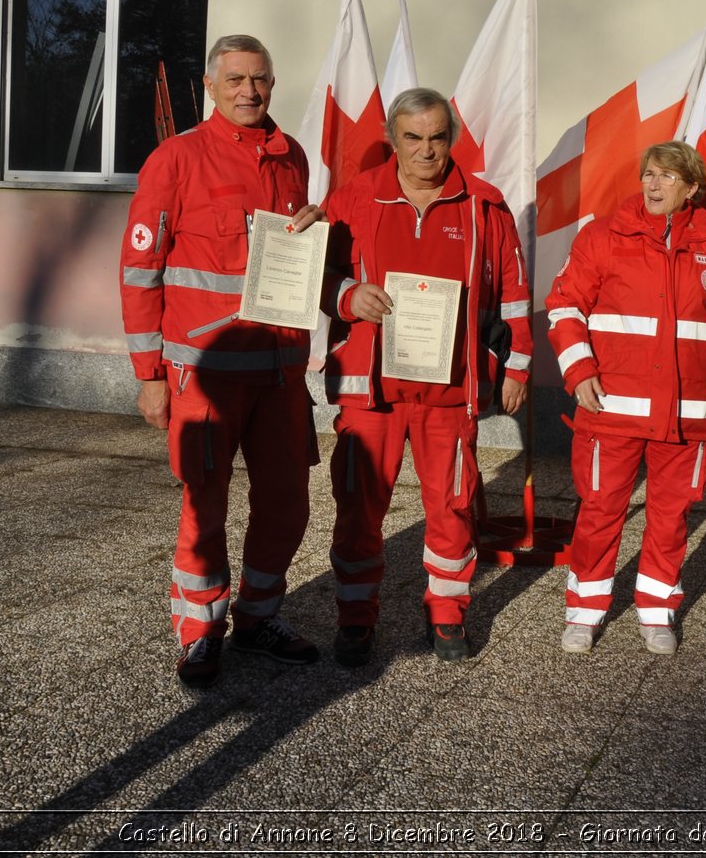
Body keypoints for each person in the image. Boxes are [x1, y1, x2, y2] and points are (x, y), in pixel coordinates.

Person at [120, 34, 324, 688]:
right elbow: (138, 271)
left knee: (288, 503)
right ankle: (200, 630)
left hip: (279, 371)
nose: (249, 91)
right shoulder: (175, 160)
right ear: (209, 85)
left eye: (260, 79)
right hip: (202, 375)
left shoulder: (292, 158)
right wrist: (148, 376)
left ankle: (258, 618)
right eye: (234, 79)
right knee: (204, 507)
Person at [321, 88, 532, 666]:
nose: (426, 150)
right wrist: (345, 295)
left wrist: (517, 365)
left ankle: (446, 616)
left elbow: (514, 292)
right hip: (371, 392)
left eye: (438, 137)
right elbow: (312, 272)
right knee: (359, 509)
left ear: (452, 139)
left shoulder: (485, 205)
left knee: (453, 508)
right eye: (412, 137)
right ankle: (357, 619)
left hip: (450, 392)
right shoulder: (354, 199)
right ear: (393, 139)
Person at [547, 141, 706, 655]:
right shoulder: (601, 238)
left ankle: (656, 609)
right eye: (648, 174)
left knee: (670, 517)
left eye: (666, 176)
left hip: (687, 420)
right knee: (599, 512)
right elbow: (565, 306)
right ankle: (585, 609)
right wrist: (578, 372)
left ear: (691, 188)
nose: (653, 185)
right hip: (610, 410)